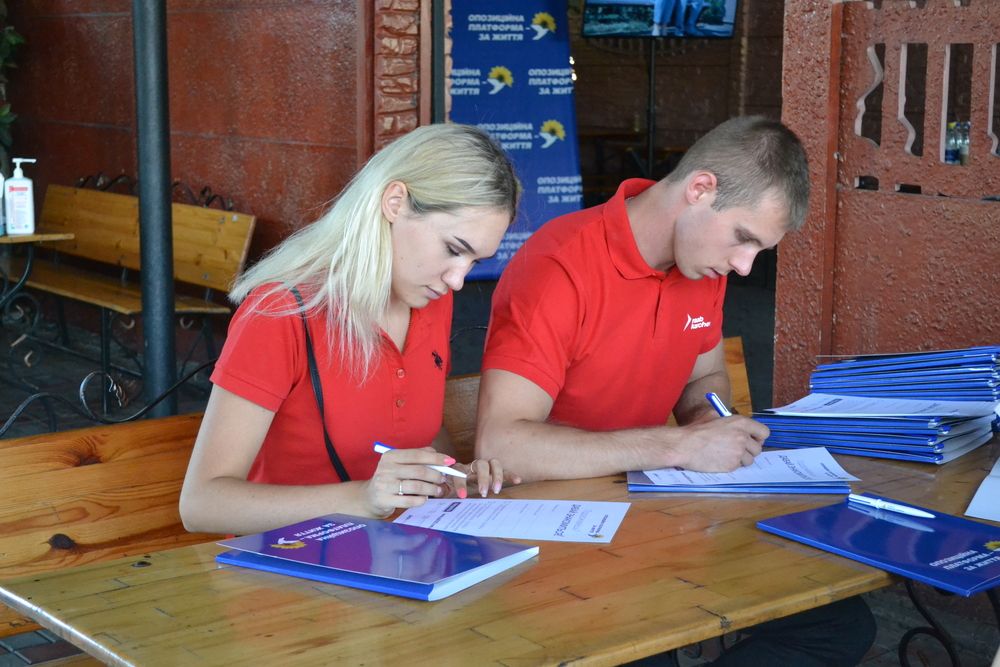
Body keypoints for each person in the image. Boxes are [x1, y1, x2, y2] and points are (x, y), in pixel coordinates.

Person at [476, 116, 876, 665]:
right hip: (562, 536)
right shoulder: (561, 264)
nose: (742, 266)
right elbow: (502, 447)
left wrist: (710, 421)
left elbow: (704, 376)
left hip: (664, 521)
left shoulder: (701, 267)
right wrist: (677, 447)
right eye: (743, 239)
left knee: (840, 623)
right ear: (700, 189)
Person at [180, 123, 521, 536]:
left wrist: (451, 476)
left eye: (475, 263)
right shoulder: (281, 313)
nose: (457, 280)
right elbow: (201, 504)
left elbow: (418, 428)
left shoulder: (429, 298)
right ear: (395, 202)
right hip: (289, 568)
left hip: (398, 553)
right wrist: (362, 498)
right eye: (453, 249)